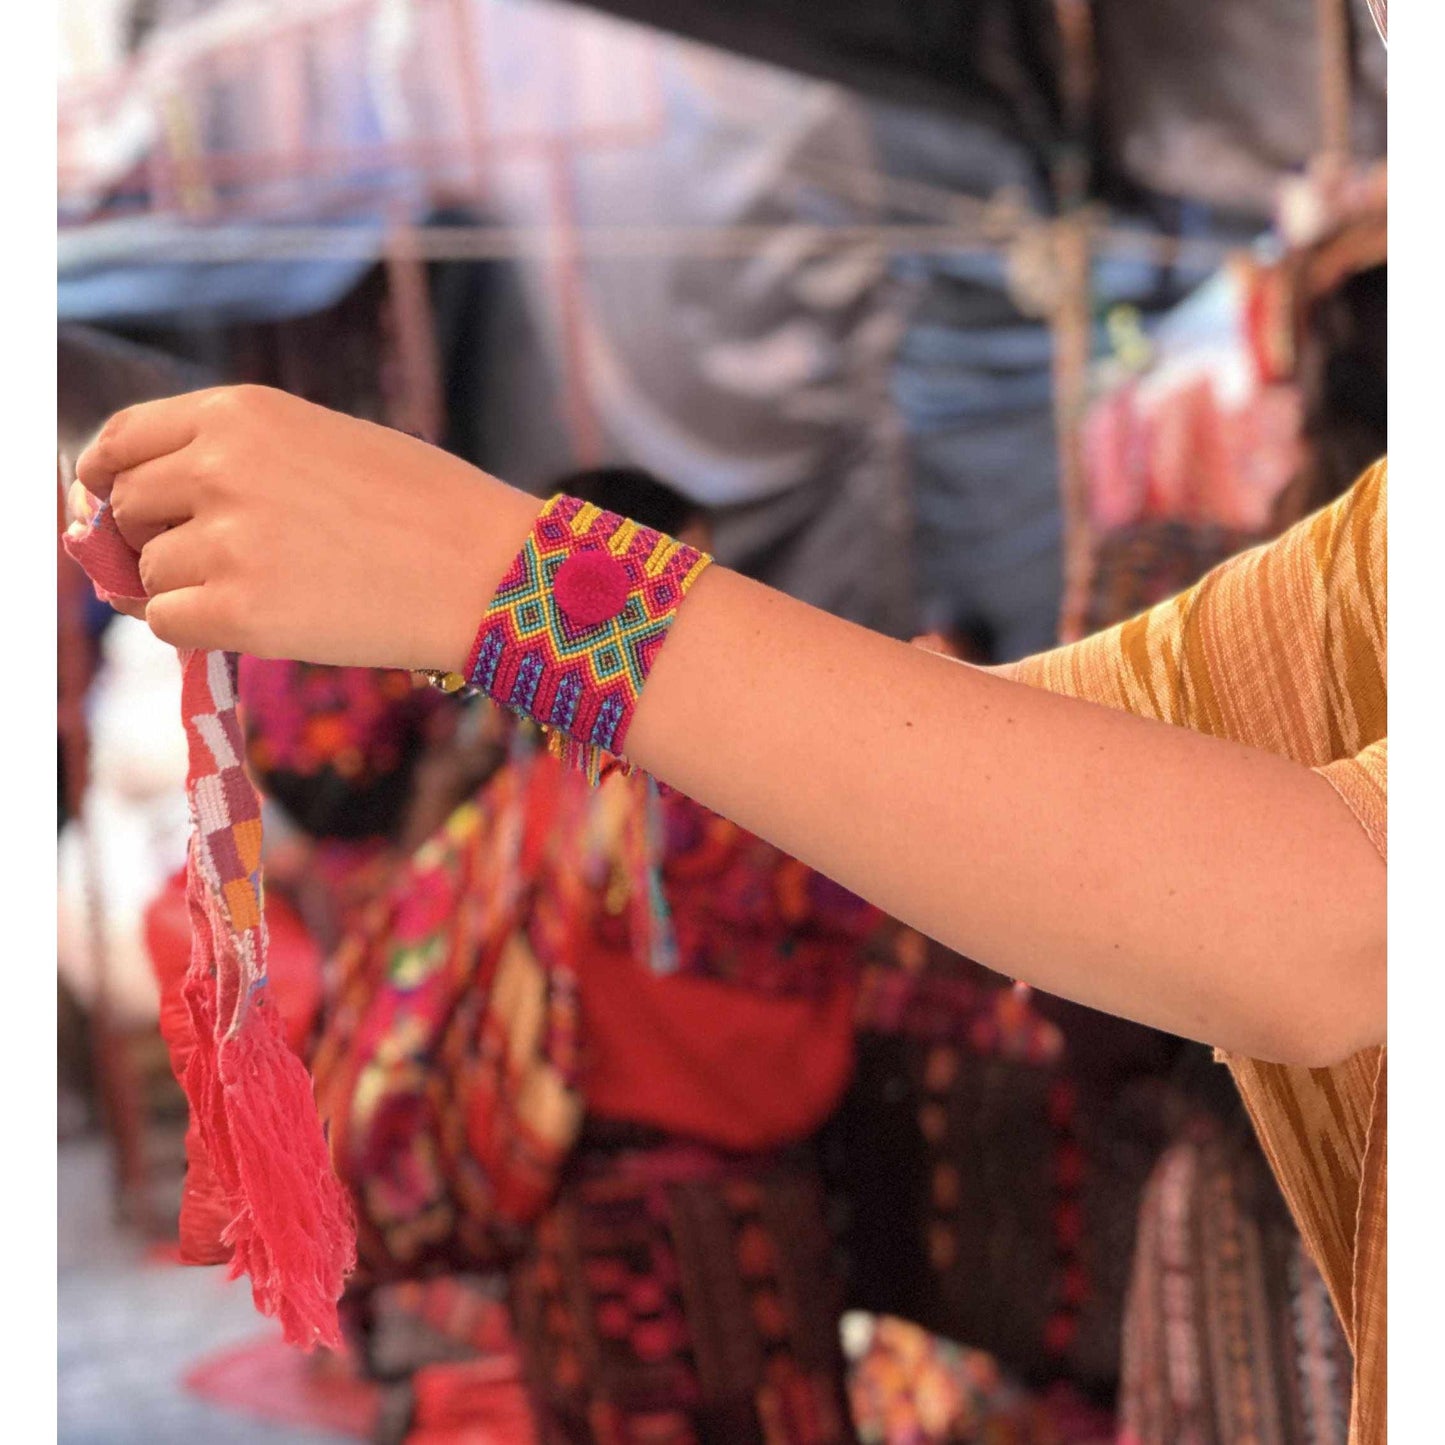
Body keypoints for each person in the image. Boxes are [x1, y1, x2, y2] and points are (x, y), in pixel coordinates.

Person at [69, 367, 1386, 1442]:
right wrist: (496, 584)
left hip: (623, 1235)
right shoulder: (638, 801)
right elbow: (1003, 799)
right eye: (680, 570)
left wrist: (496, 576)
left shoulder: (532, 806)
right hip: (693, 1223)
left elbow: (1329, 912)